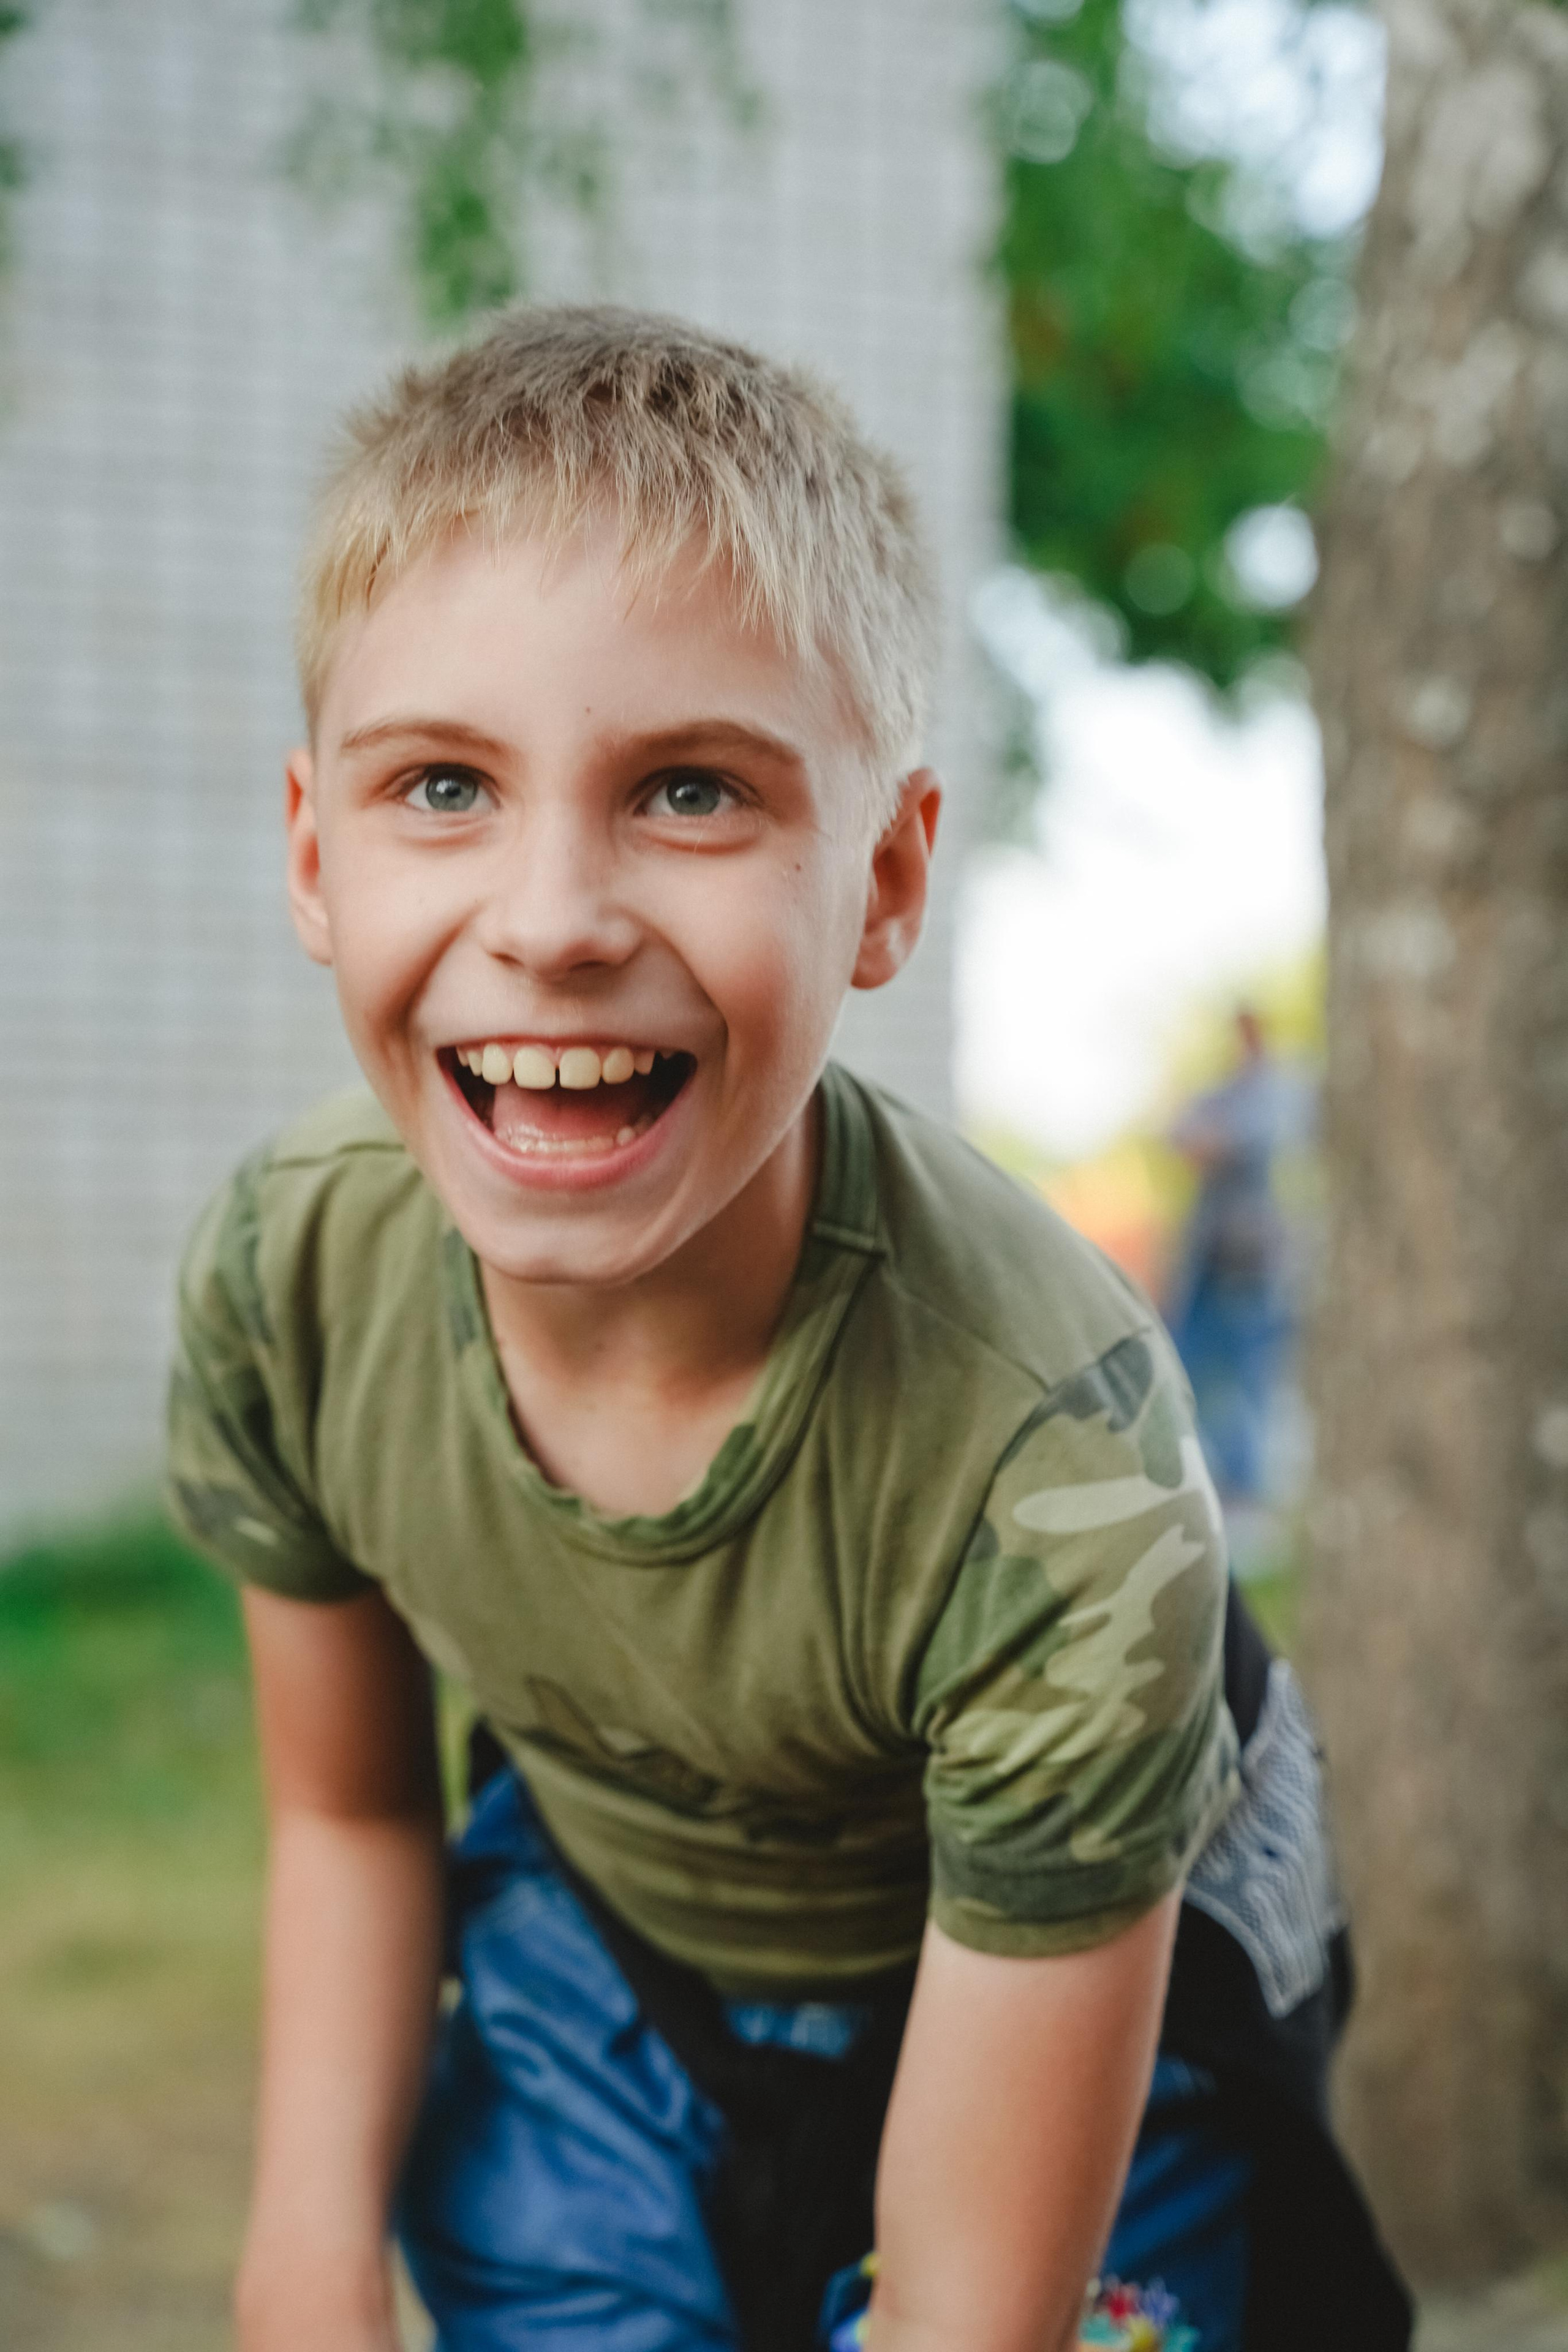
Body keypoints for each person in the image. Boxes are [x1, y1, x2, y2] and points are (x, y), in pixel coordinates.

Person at [164, 307, 1408, 2352]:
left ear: (888, 878)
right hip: (605, 1962)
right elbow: (350, 1806)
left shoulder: (1054, 1474)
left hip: (1059, 1981)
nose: (552, 917)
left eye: (690, 793)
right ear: (318, 851)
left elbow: (974, 2311)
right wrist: (304, 2268)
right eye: (447, 784)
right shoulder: (294, 1284)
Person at [1166, 1011, 1312, 1516]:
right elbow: (1182, 1136)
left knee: (1250, 1378)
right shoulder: (1222, 1092)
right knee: (1187, 1367)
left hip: (1253, 1264)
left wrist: (1215, 1138)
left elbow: (1232, 1141)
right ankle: (1217, 1480)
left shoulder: (1280, 1091)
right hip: (1206, 1259)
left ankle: (1247, 1490)